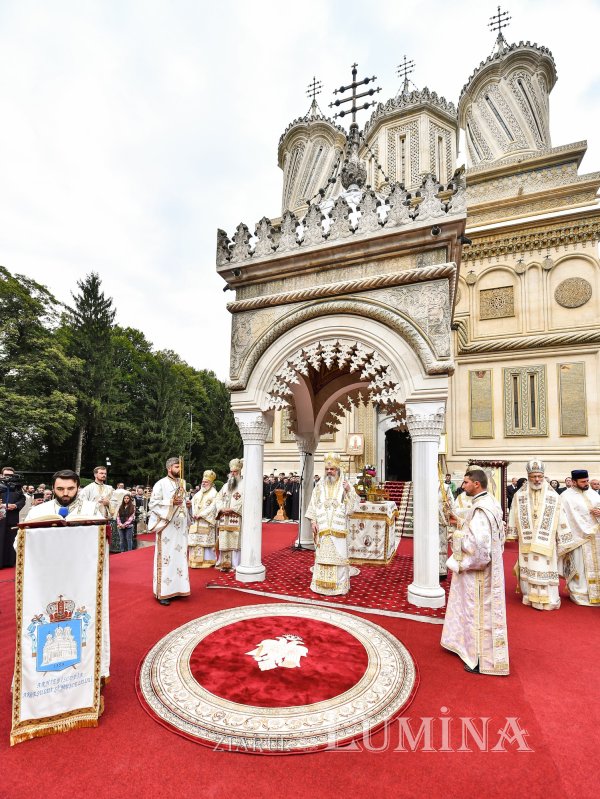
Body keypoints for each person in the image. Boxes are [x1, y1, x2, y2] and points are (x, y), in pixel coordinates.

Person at [24, 469, 110, 679]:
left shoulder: (91, 510)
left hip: (82, 578)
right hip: (47, 579)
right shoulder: (39, 511)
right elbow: (20, 543)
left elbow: (103, 542)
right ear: (53, 488)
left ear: (77, 488)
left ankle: (90, 672)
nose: (65, 493)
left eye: (70, 489)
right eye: (60, 488)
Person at [441, 469, 509, 675]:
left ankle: (479, 659)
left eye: (466, 483)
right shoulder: (491, 503)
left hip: (479, 573)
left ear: (476, 485)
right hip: (492, 568)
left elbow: (478, 546)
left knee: (477, 611)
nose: (463, 486)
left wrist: (457, 538)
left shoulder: (481, 510)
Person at [507, 458, 579, 610]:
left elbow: (561, 516)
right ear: (528, 477)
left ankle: (550, 598)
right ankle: (529, 596)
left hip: (546, 541)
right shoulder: (520, 495)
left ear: (543, 475)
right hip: (527, 540)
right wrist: (512, 532)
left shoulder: (553, 495)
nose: (537, 479)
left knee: (545, 568)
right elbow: (513, 513)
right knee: (527, 566)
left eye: (539, 476)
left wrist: (564, 537)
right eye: (533, 476)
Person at [306, 452, 359, 596]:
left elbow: (353, 508)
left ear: (337, 469)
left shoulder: (346, 484)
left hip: (338, 529)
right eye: (327, 469)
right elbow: (313, 504)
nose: (329, 471)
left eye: (332, 469)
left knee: (339, 559)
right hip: (323, 528)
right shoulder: (319, 485)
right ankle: (320, 586)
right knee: (322, 557)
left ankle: (339, 587)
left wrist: (349, 491)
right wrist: (313, 521)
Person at [147, 458, 191, 605]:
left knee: (180, 557)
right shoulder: (160, 484)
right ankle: (164, 593)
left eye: (180, 467)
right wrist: (170, 502)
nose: (179, 469)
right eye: (177, 467)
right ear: (169, 468)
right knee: (166, 558)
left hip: (180, 527)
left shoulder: (182, 483)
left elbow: (184, 502)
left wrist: (188, 504)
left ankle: (179, 587)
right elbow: (153, 503)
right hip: (167, 526)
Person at [559, 469, 600, 606]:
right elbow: (563, 518)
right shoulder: (565, 496)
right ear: (574, 482)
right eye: (583, 482)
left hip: (596, 538)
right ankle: (580, 593)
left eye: (587, 480)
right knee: (580, 567)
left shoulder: (594, 494)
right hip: (577, 539)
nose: (586, 483)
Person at [215, 458, 244, 571]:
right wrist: (222, 508)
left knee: (235, 540)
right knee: (224, 539)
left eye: (235, 472)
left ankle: (235, 564)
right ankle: (224, 563)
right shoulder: (225, 486)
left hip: (235, 516)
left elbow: (244, 500)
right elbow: (218, 498)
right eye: (231, 472)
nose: (233, 474)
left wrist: (232, 509)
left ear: (239, 472)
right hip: (224, 517)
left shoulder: (243, 485)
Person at [189, 470, 218, 568]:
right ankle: (194, 561)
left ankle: (208, 561)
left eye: (206, 482)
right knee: (195, 542)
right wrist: (194, 513)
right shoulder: (198, 493)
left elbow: (213, 507)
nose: (203, 483)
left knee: (205, 542)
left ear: (211, 483)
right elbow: (193, 503)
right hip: (196, 521)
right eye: (203, 481)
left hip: (206, 521)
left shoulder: (214, 493)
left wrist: (202, 515)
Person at [0, 466, 26, 569]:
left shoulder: (17, 486)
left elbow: (22, 499)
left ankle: (9, 562)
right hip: (0, 518)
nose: (8, 477)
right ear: (2, 475)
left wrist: (15, 505)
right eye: (6, 475)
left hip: (12, 518)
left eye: (10, 475)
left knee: (11, 539)